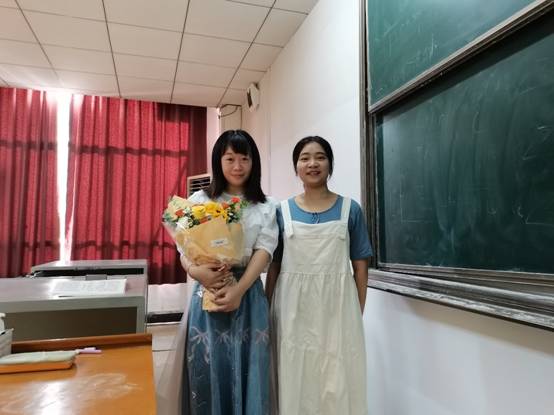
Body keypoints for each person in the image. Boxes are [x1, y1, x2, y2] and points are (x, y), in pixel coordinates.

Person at [266, 136, 371, 415]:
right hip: (292, 311)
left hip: (338, 310)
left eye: (320, 157)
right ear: (296, 167)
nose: (313, 163)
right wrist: (267, 307)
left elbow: (361, 266)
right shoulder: (281, 212)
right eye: (305, 158)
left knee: (338, 379)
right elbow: (274, 266)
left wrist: (355, 311)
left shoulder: (350, 210)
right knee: (294, 376)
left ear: (330, 164)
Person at [176, 130, 278, 415]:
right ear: (218, 162)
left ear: (254, 162)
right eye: (230, 158)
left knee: (252, 370)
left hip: (248, 295)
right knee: (208, 369)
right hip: (208, 293)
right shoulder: (199, 201)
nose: (237, 166)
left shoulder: (267, 206)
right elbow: (184, 249)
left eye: (244, 158)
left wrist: (239, 290)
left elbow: (265, 250)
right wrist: (197, 271)